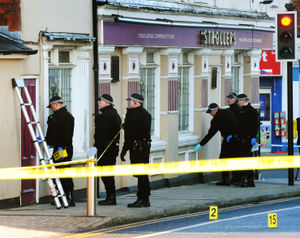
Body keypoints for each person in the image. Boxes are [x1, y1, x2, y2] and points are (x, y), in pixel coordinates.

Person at [194, 103, 238, 186]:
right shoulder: (227, 112)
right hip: (237, 138)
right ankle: (235, 178)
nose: (210, 114)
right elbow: (236, 122)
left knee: (223, 158)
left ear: (215, 110)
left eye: (211, 112)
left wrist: (200, 144)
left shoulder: (216, 120)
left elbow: (210, 134)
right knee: (234, 158)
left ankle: (226, 180)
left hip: (229, 139)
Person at [120, 93, 152, 207]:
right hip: (145, 147)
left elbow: (130, 135)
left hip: (137, 148)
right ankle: (145, 198)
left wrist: (124, 150)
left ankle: (142, 199)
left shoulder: (133, 115)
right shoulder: (146, 114)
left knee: (140, 174)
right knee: (143, 174)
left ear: (135, 103)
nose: (128, 103)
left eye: (130, 101)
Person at [45, 96, 75, 207]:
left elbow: (52, 137)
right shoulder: (70, 116)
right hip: (68, 148)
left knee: (57, 172)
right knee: (66, 172)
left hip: (59, 149)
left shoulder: (54, 118)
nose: (51, 109)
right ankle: (70, 197)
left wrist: (46, 140)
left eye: (52, 106)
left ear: (56, 105)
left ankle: (63, 196)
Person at [94, 94, 121, 206]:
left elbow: (101, 135)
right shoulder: (114, 114)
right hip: (112, 148)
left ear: (106, 103)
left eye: (99, 101)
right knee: (108, 173)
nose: (98, 103)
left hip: (105, 149)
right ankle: (111, 196)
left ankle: (111, 197)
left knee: (106, 174)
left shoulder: (106, 116)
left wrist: (96, 147)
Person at [237, 93, 259, 187]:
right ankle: (246, 179)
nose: (238, 103)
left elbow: (255, 125)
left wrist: (253, 137)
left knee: (245, 159)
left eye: (238, 101)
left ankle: (248, 179)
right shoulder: (241, 111)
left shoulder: (252, 111)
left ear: (243, 101)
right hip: (241, 139)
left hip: (248, 139)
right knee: (243, 159)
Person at [226, 92, 242, 185]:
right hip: (231, 137)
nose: (228, 99)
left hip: (236, 138)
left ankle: (237, 177)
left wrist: (234, 135)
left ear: (235, 99)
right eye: (228, 97)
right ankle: (234, 177)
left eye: (231, 98)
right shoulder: (229, 110)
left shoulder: (237, 110)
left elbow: (238, 124)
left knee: (235, 157)